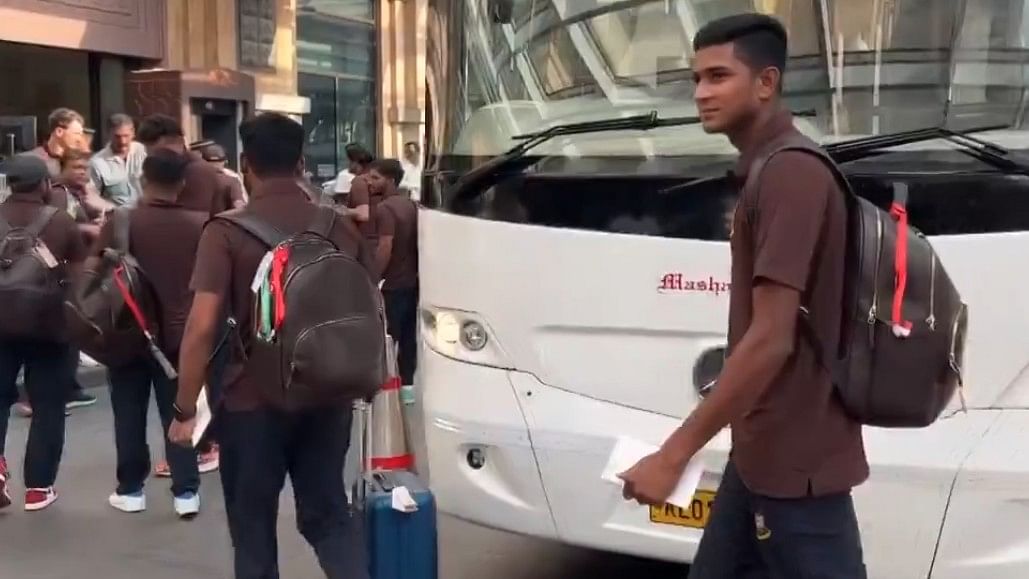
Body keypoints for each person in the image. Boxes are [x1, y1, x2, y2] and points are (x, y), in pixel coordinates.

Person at [618, 14, 867, 579]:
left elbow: (772, 338)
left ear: (766, 82)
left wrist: (672, 455)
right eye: (697, 79)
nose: (702, 93)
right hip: (759, 456)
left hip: (797, 470)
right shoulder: (764, 170)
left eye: (718, 76)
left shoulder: (791, 175)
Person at [168, 112, 372, 579]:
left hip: (251, 402)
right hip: (327, 394)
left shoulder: (225, 232)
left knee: (253, 528)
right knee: (328, 516)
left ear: (245, 164)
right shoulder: (339, 225)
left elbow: (201, 328)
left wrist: (185, 411)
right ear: (301, 162)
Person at [93, 149, 205, 517]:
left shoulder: (120, 221)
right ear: (182, 184)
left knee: (128, 412)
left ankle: (131, 490)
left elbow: (95, 274)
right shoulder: (202, 224)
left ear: (143, 180)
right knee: (180, 410)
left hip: (127, 331)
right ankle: (186, 492)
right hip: (181, 336)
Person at [136, 114, 227, 476]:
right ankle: (202, 442)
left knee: (194, 363)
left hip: (191, 279)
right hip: (197, 275)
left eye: (155, 148)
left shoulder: (198, 176)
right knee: (202, 364)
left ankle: (200, 443)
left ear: (175, 139)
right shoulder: (208, 173)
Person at [0, 155, 87, 511]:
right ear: (44, 186)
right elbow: (82, 279)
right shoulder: (61, 221)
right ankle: (39, 488)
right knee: (48, 404)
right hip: (50, 327)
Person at [16, 108, 98, 416]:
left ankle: (65, 389)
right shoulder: (36, 165)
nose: (81, 138)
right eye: (77, 132)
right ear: (60, 131)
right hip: (42, 269)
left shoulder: (72, 183)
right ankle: (38, 398)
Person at [368, 158, 419, 385]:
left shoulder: (384, 209)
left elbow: (385, 246)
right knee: (409, 341)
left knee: (386, 339)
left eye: (375, 178)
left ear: (389, 181)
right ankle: (407, 386)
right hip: (411, 282)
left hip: (392, 285)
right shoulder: (410, 205)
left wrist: (374, 276)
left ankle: (385, 388)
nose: (369, 182)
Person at [135, 115, 235, 218]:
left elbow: (194, 219)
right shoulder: (165, 167)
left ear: (179, 142)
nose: (154, 156)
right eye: (149, 151)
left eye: (160, 151)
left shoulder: (198, 171)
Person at [52, 149, 115, 246]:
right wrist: (86, 229)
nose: (82, 172)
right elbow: (55, 227)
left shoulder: (86, 193)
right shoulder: (57, 192)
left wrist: (102, 219)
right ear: (63, 169)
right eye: (77, 167)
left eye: (85, 169)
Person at [89, 113, 146, 207]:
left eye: (126, 136)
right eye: (117, 136)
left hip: (145, 213)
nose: (122, 141)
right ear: (108, 134)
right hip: (116, 215)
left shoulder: (144, 152)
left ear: (133, 133)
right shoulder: (97, 162)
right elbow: (92, 196)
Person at [336, 143, 378, 240]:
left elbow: (363, 214)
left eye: (347, 161)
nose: (346, 165)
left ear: (356, 162)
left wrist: (336, 209)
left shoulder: (359, 181)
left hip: (362, 237)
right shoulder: (374, 180)